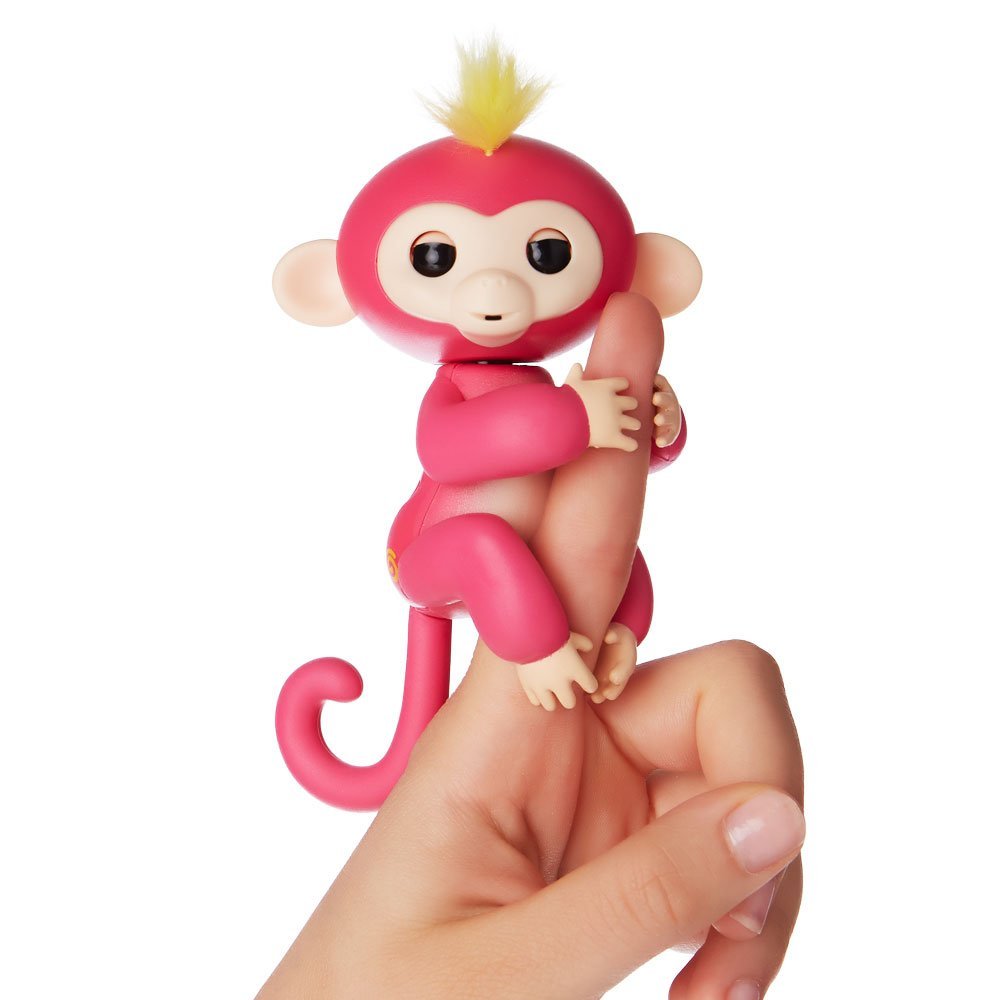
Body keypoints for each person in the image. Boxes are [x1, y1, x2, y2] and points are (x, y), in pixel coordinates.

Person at [257, 294, 805, 999]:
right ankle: (539, 643)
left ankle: (617, 635)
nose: (496, 286)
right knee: (489, 542)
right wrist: (576, 419)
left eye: (544, 253)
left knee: (612, 554)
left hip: (530, 566)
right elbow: (449, 449)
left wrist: (658, 426)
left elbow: (609, 452)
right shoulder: (455, 389)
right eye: (437, 260)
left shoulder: (553, 390)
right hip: (432, 553)